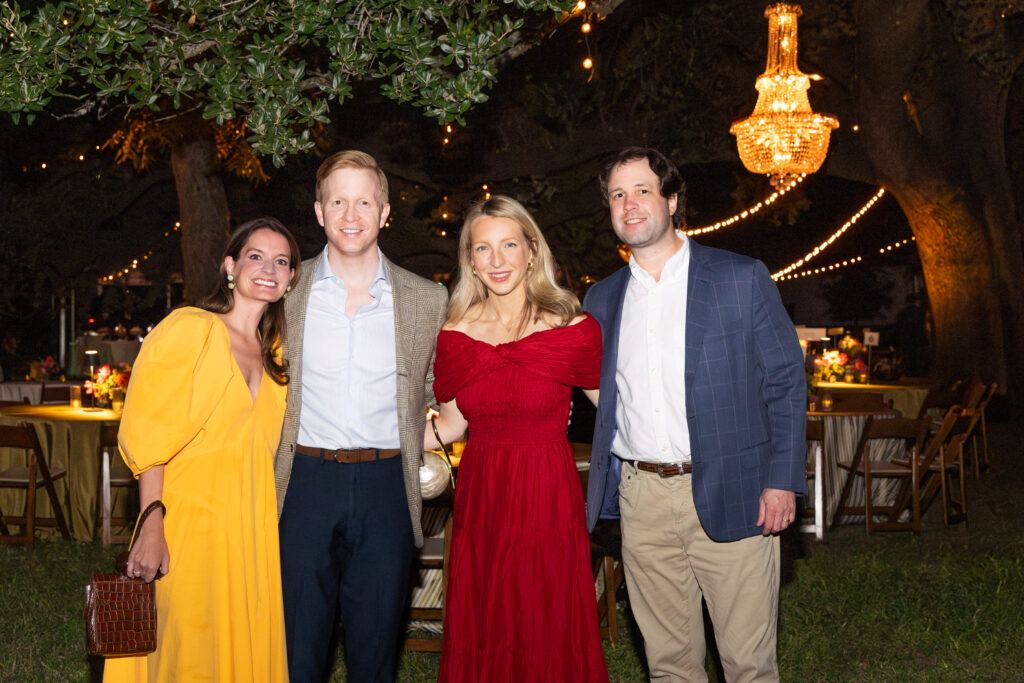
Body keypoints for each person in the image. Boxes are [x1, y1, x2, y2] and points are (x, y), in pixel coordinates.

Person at [583, 147, 806, 682]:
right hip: (642, 500)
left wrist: (782, 480)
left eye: (642, 190)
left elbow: (786, 380)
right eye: (617, 194)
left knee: (748, 664)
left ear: (672, 199)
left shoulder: (739, 277)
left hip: (737, 488)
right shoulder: (601, 299)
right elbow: (605, 394)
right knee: (668, 665)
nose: (629, 204)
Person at [273, 150, 448, 682]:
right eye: (339, 202)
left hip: (386, 484)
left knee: (375, 650)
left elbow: (440, 390)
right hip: (303, 481)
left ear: (386, 212)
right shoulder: (284, 289)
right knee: (298, 646)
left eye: (365, 202)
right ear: (320, 212)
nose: (352, 214)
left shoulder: (427, 299)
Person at [105, 217, 300, 681]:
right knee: (184, 650)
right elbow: (150, 433)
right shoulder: (190, 329)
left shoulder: (282, 355)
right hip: (186, 522)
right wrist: (152, 522)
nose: (268, 269)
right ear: (229, 265)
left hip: (253, 531)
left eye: (281, 261)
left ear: (292, 279)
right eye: (256, 256)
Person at [426, 195, 609, 682]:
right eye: (483, 249)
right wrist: (371, 432)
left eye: (509, 244)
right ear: (469, 260)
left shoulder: (571, 327)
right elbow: (449, 426)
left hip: (547, 494)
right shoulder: (456, 333)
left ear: (532, 250)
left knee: (544, 615)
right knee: (488, 617)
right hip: (483, 498)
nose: (498, 260)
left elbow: (614, 412)